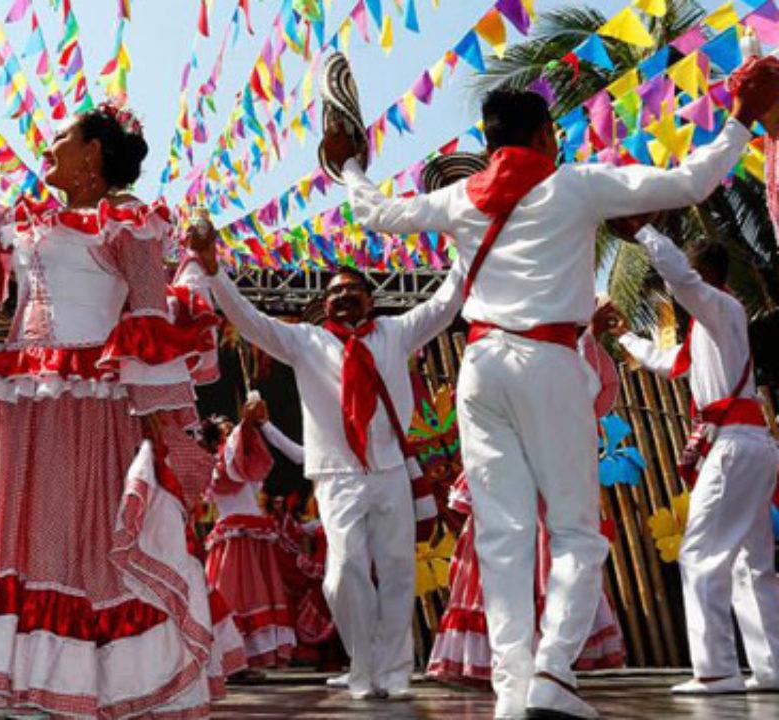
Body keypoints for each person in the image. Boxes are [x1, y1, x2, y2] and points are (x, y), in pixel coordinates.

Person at [325, 73, 777, 717]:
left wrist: (346, 164)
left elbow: (373, 212)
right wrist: (740, 118)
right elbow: (689, 182)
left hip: (480, 368)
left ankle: (513, 693)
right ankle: (553, 674)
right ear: (544, 136)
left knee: (503, 537)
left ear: (489, 142)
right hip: (549, 362)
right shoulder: (578, 183)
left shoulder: (459, 199)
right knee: (575, 531)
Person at [0, 100, 226, 716]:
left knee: (87, 540)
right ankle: (32, 679)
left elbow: (147, 315)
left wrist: (162, 423)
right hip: (28, 404)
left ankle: (101, 681)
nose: (49, 144)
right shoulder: (36, 220)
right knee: (26, 537)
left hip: (92, 403)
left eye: (63, 135)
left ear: (93, 152)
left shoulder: (128, 223)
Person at [187, 224, 463, 701]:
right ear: (325, 303)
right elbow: (251, 321)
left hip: (390, 469)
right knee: (343, 573)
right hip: (338, 475)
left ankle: (393, 670)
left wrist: (470, 244)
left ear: (370, 300)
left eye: (352, 290)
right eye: (334, 292)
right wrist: (215, 275)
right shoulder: (306, 342)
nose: (342, 298)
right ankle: (363, 661)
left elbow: (444, 303)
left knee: (397, 569)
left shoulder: (396, 332)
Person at [599, 221, 779, 695]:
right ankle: (771, 667)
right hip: (752, 444)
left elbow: (682, 280)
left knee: (699, 553)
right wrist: (624, 335)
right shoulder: (713, 328)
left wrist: (644, 233)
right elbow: (668, 361)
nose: (678, 290)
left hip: (735, 446)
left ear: (706, 276)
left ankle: (716, 671)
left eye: (690, 276)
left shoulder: (718, 307)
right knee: (750, 561)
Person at [427, 331, 627, 687]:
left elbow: (584, 394)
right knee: (502, 564)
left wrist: (585, 337)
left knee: (544, 561)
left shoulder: (554, 369)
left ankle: (542, 662)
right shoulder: (496, 365)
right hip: (506, 486)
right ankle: (506, 663)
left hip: (542, 490)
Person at [202, 398, 297, 673]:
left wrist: (249, 423)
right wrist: (244, 421)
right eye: (226, 428)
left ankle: (256, 654)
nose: (231, 430)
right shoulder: (220, 466)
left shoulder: (239, 460)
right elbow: (236, 444)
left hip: (251, 535)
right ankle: (235, 654)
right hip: (235, 538)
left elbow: (244, 446)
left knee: (257, 592)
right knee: (237, 593)